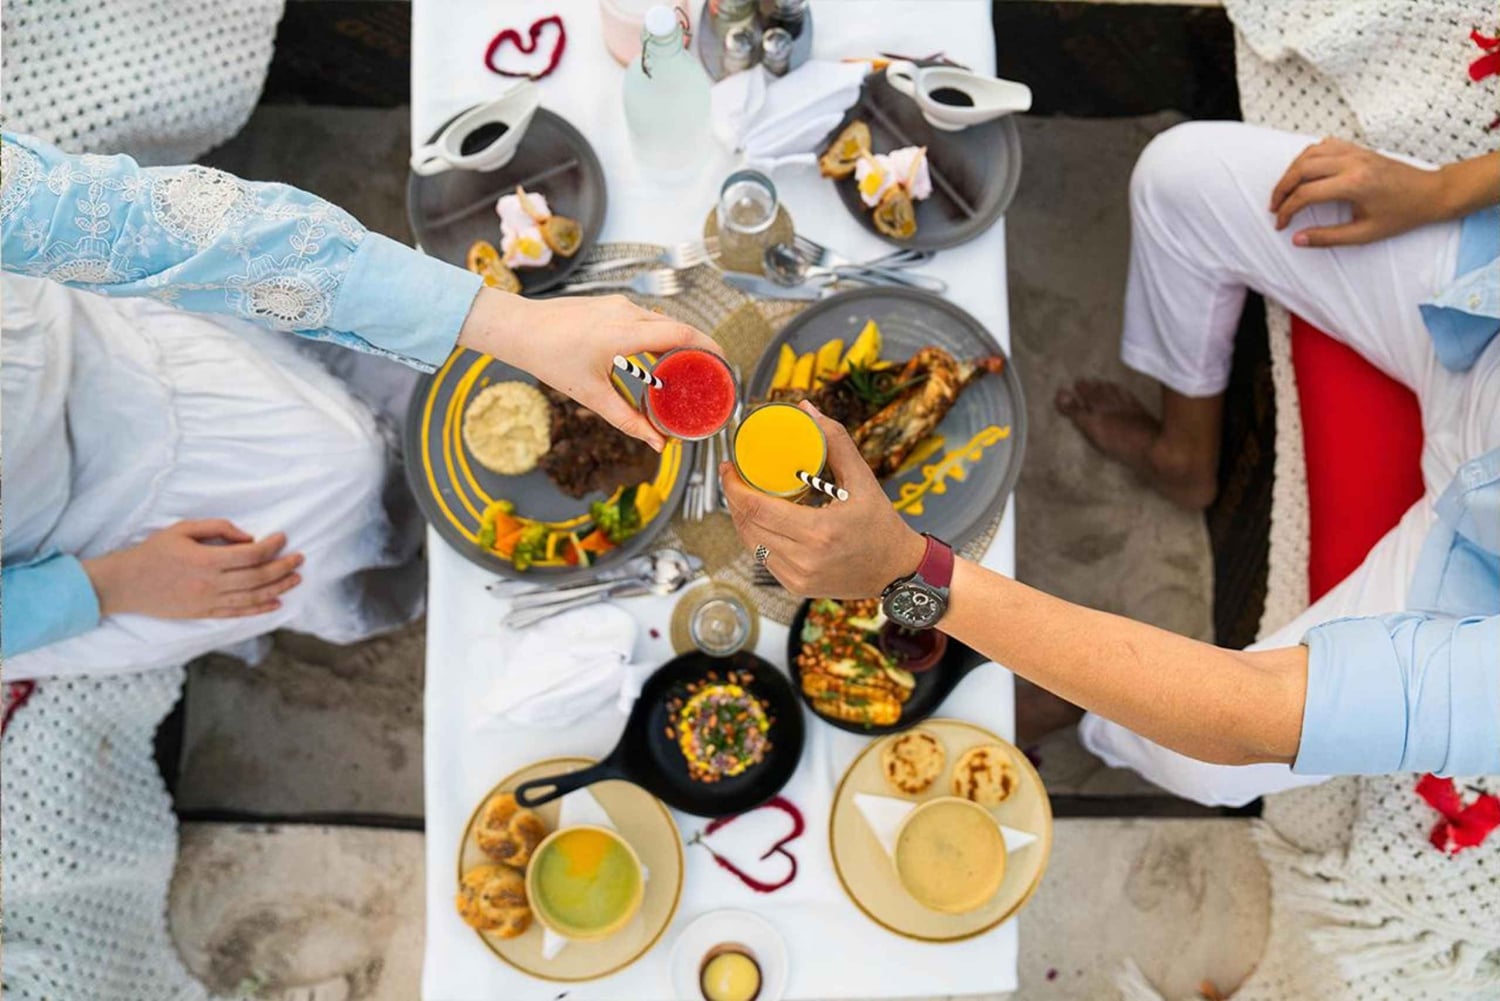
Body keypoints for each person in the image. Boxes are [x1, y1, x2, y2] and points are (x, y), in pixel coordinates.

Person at [722, 122, 1499, 805]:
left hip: (1465, 573)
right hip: (1478, 315)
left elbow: (1252, 712)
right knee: (1179, 175)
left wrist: (906, 573)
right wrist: (1445, 187)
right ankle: (1182, 453)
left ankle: (1079, 706)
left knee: (1212, 770)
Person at [0, 131, 718, 677]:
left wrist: (511, 325)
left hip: (89, 353)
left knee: (347, 447)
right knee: (310, 523)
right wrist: (106, 583)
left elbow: (157, 228)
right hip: (59, 549)